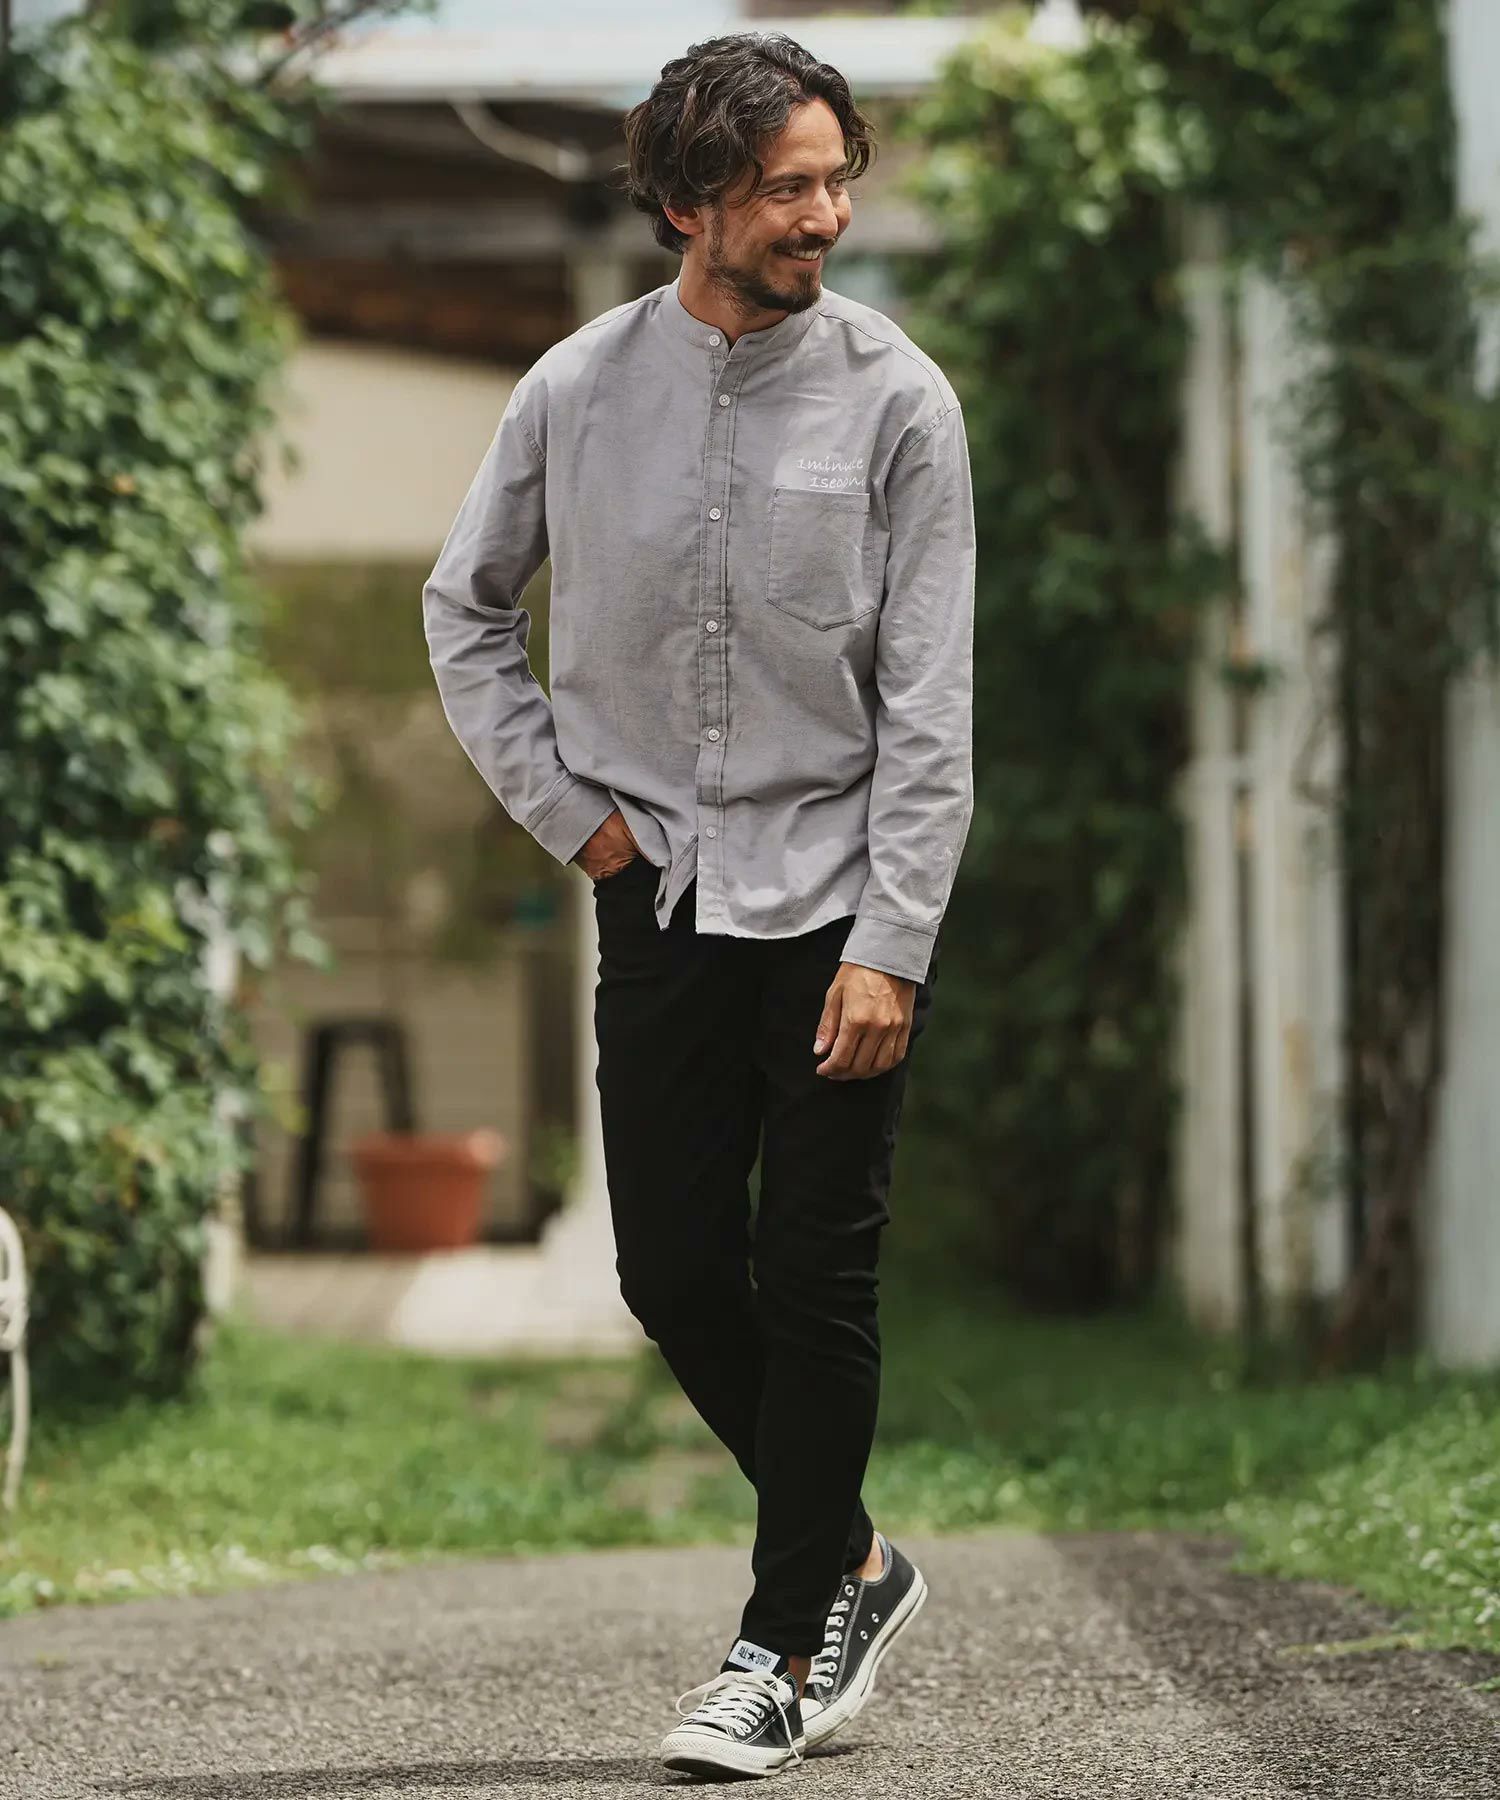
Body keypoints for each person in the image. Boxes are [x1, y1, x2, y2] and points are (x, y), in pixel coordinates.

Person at [422, 29, 975, 1781]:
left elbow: (931, 705)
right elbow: (464, 609)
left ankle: (781, 1642)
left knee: (816, 1274)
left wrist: (895, 941)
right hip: (653, 889)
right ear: (688, 202)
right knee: (668, 1266)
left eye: (834, 180)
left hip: (835, 903)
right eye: (785, 187)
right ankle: (857, 1560)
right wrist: (579, 826)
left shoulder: (900, 402)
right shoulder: (574, 392)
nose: (824, 215)